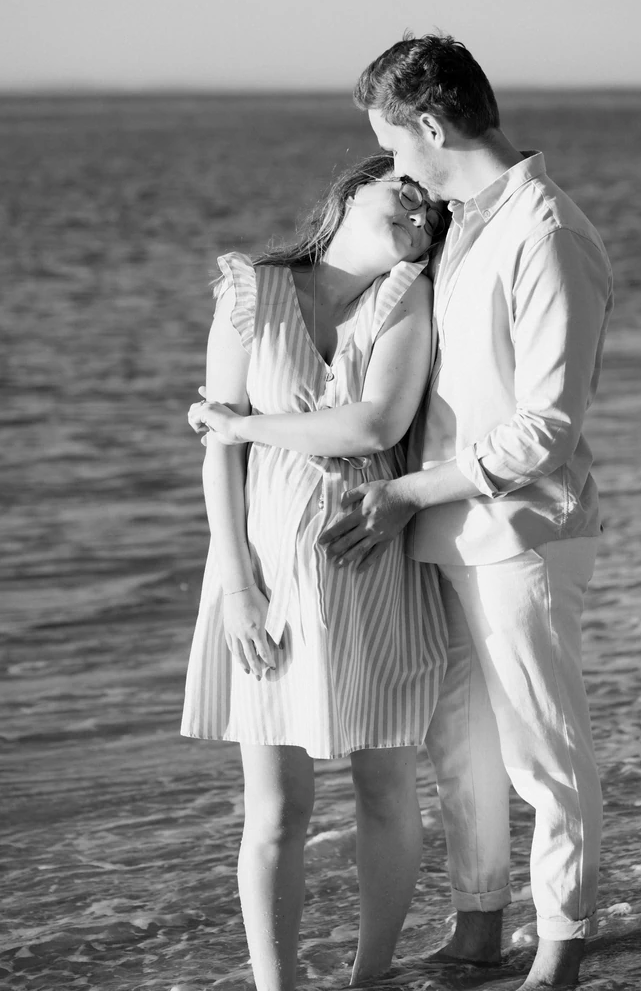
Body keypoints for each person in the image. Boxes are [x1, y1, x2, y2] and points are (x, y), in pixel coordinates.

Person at [320, 35, 613, 991]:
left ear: (433, 125)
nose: (396, 170)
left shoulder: (546, 232)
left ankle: (562, 943)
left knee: (541, 747)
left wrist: (403, 492)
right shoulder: (459, 227)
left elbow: (547, 432)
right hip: (443, 535)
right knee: (465, 752)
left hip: (522, 534)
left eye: (395, 147)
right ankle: (480, 927)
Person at [181, 152, 448, 991]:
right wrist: (236, 588)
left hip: (374, 569)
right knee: (276, 808)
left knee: (384, 790)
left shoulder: (410, 298)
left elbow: (373, 427)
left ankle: (370, 979)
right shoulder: (250, 292)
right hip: (261, 578)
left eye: (430, 209)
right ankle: (277, 987)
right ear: (346, 196)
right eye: (401, 190)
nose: (418, 209)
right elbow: (213, 463)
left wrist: (243, 427)